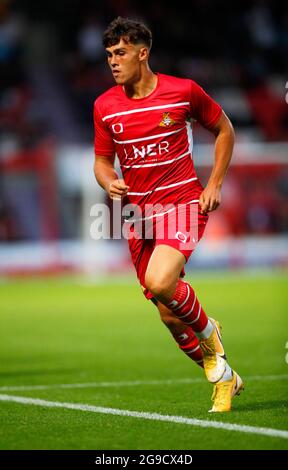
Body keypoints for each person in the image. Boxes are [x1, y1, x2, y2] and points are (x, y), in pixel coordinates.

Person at [93, 16, 244, 412]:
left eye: (121, 52)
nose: (113, 61)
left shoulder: (183, 92)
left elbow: (225, 129)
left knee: (161, 282)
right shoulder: (105, 106)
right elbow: (101, 161)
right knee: (170, 317)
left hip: (182, 204)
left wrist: (214, 184)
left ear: (143, 53)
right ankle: (225, 376)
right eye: (109, 54)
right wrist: (108, 181)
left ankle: (211, 333)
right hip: (138, 218)